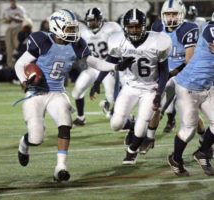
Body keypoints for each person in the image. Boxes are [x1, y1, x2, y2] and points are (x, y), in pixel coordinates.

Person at [14, 9, 132, 182]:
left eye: (73, 28)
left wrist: (115, 66)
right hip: (36, 93)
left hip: (57, 92)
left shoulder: (76, 44)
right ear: (57, 27)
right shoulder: (42, 41)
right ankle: (24, 144)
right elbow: (20, 64)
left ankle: (60, 167)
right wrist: (24, 81)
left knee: (65, 124)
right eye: (68, 28)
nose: (72, 32)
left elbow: (95, 62)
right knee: (36, 137)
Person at [91, 8, 171, 165]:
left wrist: (158, 93)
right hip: (129, 87)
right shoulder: (119, 41)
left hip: (150, 88)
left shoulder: (157, 41)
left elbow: (164, 72)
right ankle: (131, 125)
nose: (134, 30)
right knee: (115, 124)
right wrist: (97, 81)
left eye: (137, 26)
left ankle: (131, 151)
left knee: (141, 130)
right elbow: (109, 63)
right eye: (130, 27)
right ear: (125, 27)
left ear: (144, 25)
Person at [138, 0, 201, 154]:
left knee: (190, 111)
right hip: (166, 73)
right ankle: (150, 138)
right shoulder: (158, 26)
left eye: (174, 13)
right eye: (168, 14)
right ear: (162, 15)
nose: (171, 17)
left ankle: (204, 138)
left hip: (184, 73)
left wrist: (172, 73)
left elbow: (189, 60)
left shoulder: (189, 28)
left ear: (181, 14)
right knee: (156, 105)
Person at [167, 20, 214, 177]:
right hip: (188, 87)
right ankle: (176, 159)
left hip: (207, 87)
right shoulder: (211, 28)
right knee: (188, 131)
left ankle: (202, 153)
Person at [71, 7, 121, 126]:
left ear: (100, 19)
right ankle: (81, 117)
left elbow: (121, 42)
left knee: (112, 96)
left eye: (93, 20)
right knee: (77, 91)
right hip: (93, 67)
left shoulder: (111, 28)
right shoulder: (82, 30)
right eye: (89, 20)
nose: (90, 23)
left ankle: (111, 109)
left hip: (107, 66)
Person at [2, 0, 25, 68]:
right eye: (11, 1)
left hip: (18, 28)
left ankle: (20, 64)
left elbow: (23, 19)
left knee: (18, 46)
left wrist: (14, 18)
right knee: (9, 48)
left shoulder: (20, 9)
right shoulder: (7, 10)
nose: (12, 2)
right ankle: (10, 65)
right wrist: (8, 20)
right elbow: (3, 21)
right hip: (10, 29)